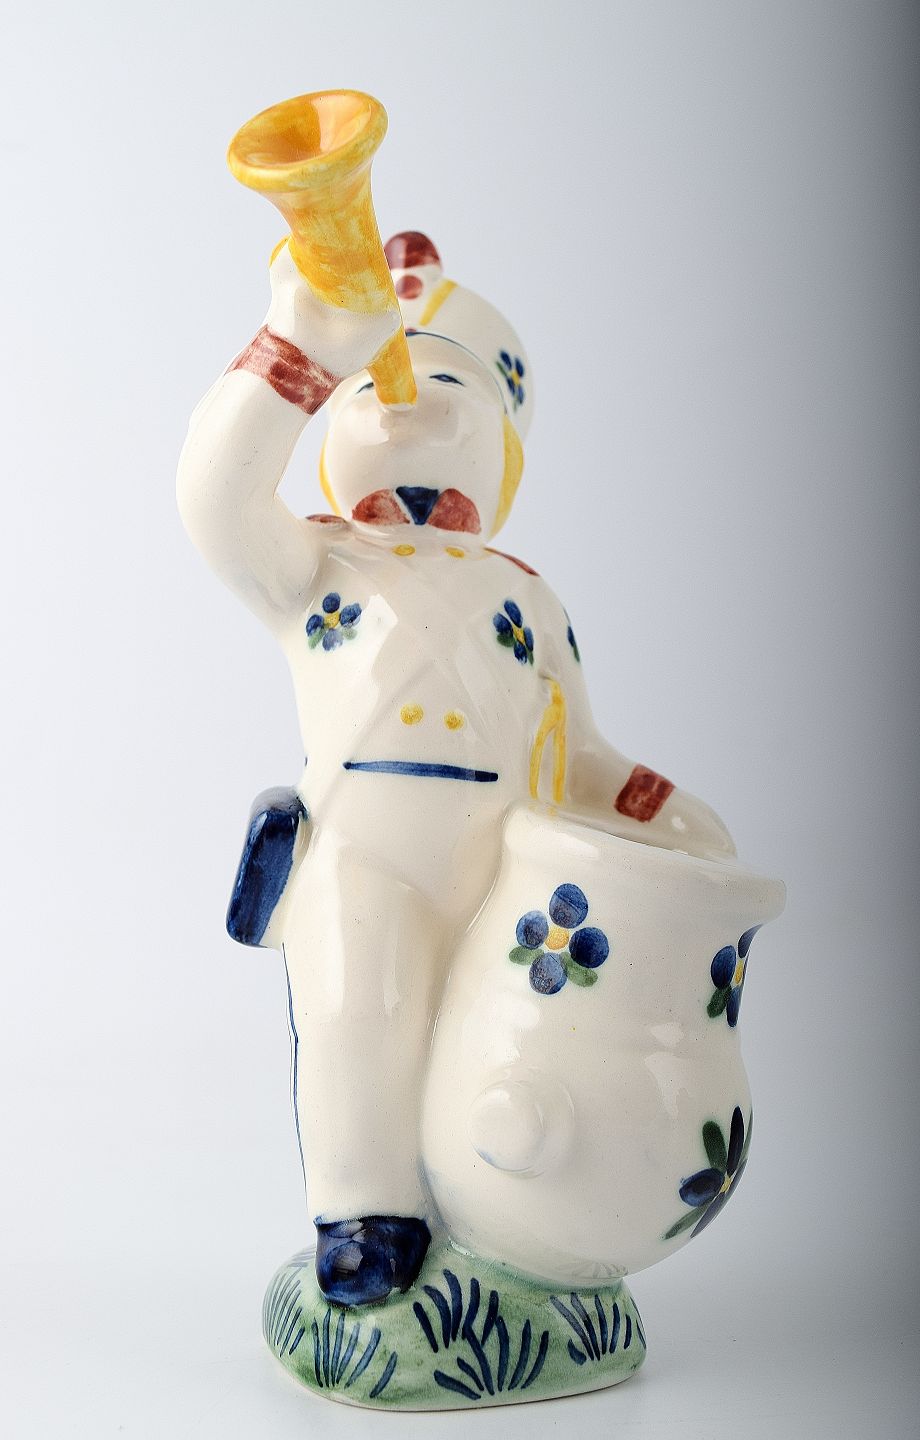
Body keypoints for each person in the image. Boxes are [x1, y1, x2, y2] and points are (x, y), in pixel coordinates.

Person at [177, 230, 735, 1306]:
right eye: (370, 385)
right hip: (362, 846)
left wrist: (658, 805)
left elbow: (579, 752)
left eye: (445, 384)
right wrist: (296, 347)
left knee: (496, 1041)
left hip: (503, 863)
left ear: (503, 448)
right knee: (357, 1018)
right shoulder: (313, 561)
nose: (403, 400)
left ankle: (496, 1220)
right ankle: (367, 1217)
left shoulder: (528, 598)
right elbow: (213, 497)